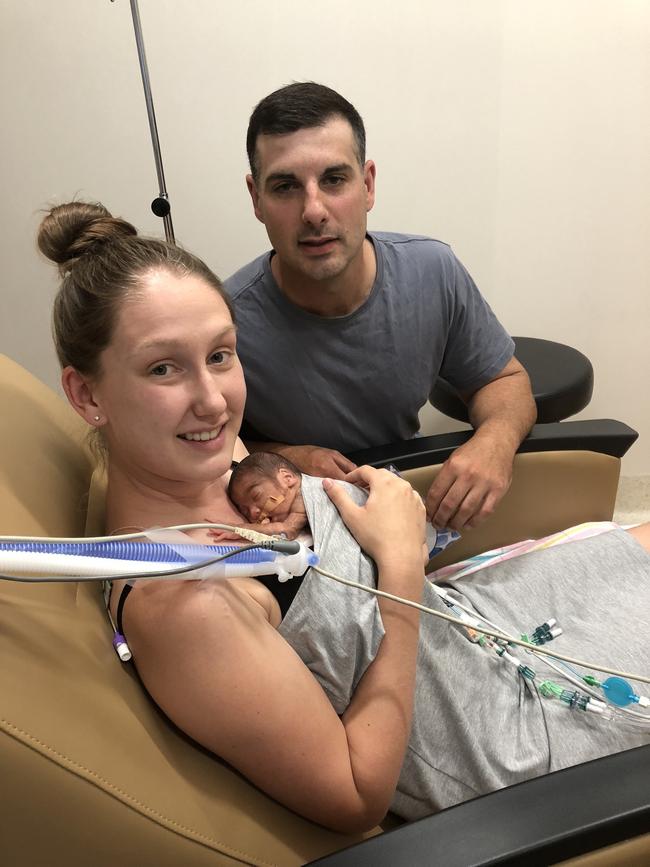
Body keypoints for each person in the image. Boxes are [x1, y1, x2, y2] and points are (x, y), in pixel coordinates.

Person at [39, 200, 650, 833]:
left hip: (479, 628)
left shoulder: (206, 463)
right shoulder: (186, 605)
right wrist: (403, 564)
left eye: (221, 355)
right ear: (87, 394)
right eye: (163, 368)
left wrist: (303, 467)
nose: (213, 401)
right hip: (512, 727)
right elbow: (355, 794)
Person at [225, 81, 538, 532]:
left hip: (404, 504)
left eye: (334, 179)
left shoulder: (432, 271)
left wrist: (494, 442)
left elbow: (503, 378)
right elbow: (206, 448)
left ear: (367, 184)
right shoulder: (226, 323)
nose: (314, 210)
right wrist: (288, 457)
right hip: (299, 527)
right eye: (286, 186)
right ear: (257, 199)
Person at [211, 451, 309, 541]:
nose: (253, 513)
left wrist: (241, 530)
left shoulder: (304, 493)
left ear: (287, 478)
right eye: (244, 510)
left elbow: (287, 531)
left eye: (256, 496)